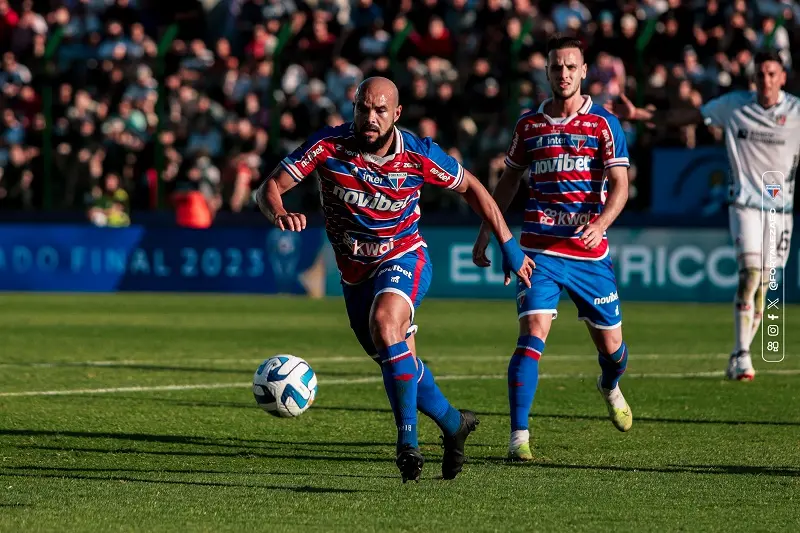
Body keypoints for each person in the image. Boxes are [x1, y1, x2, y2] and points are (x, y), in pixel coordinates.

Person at [254, 77, 535, 482]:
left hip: (405, 255)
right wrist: (279, 212)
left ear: (397, 113)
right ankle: (454, 424)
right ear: (353, 109)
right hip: (354, 275)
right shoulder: (328, 146)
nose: (371, 117)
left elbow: (473, 188)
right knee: (397, 360)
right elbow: (269, 188)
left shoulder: (419, 154)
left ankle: (407, 443)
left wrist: (508, 244)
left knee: (386, 324)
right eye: (363, 108)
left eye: (380, 110)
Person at [472, 36, 634, 462]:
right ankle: (518, 437)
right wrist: (489, 230)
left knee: (613, 352)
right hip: (538, 251)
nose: (563, 74)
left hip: (588, 254)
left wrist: (600, 224)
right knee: (531, 337)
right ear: (546, 72)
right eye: (556, 67)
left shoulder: (604, 124)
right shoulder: (529, 125)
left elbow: (621, 185)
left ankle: (609, 384)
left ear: (584, 72)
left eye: (570, 67)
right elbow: (509, 181)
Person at [607, 49, 799, 381]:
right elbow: (687, 117)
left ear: (782, 77)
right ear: (753, 78)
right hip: (745, 205)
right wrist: (638, 113)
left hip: (779, 210)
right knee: (750, 275)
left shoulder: (796, 112)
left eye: (772, 74)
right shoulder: (734, 106)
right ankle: (742, 354)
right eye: (760, 74)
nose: (766, 80)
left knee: (764, 286)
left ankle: (740, 353)